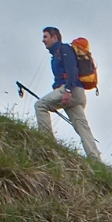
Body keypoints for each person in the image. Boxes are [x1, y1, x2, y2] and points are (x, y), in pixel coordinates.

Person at [35, 27, 101, 161]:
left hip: (71, 90)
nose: (43, 40)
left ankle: (47, 143)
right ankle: (96, 160)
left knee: (40, 106)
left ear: (54, 37)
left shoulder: (64, 49)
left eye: (45, 37)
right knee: (83, 127)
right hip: (77, 93)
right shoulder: (58, 54)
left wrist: (68, 90)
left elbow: (72, 70)